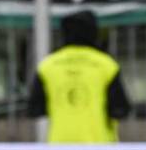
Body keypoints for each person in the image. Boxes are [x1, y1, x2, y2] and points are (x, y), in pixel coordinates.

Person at [28, 10, 131, 142]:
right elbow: (121, 110)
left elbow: (35, 109)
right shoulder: (106, 65)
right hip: (99, 146)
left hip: (59, 146)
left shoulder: (48, 66)